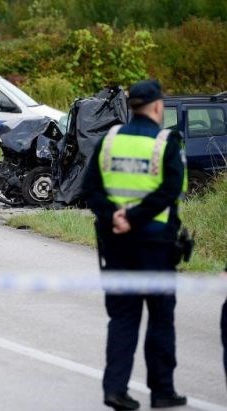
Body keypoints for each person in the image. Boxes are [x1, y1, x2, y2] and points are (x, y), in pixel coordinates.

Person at [83, 79, 187, 410]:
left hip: (116, 245)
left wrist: (115, 216)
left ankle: (115, 389)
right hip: (155, 244)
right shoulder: (167, 142)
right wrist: (137, 216)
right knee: (160, 318)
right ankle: (162, 392)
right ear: (157, 106)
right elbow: (171, 189)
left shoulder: (108, 141)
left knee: (123, 318)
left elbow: (90, 189)